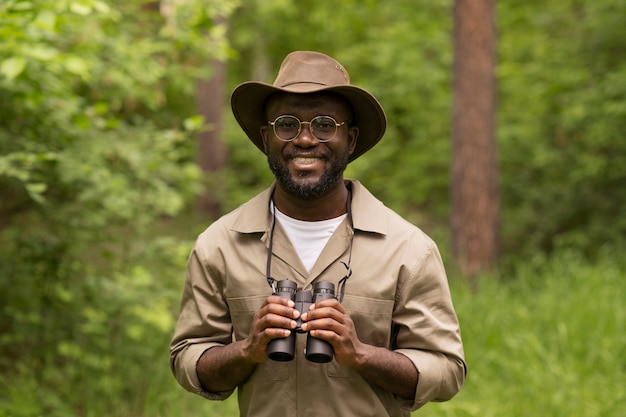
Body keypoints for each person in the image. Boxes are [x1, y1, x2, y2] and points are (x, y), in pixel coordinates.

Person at [169, 51, 466, 417]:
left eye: (325, 125)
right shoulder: (220, 244)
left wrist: (360, 354)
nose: (306, 139)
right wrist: (248, 349)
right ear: (265, 138)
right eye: (287, 124)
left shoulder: (407, 249)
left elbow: (447, 370)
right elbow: (188, 358)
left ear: (352, 140)